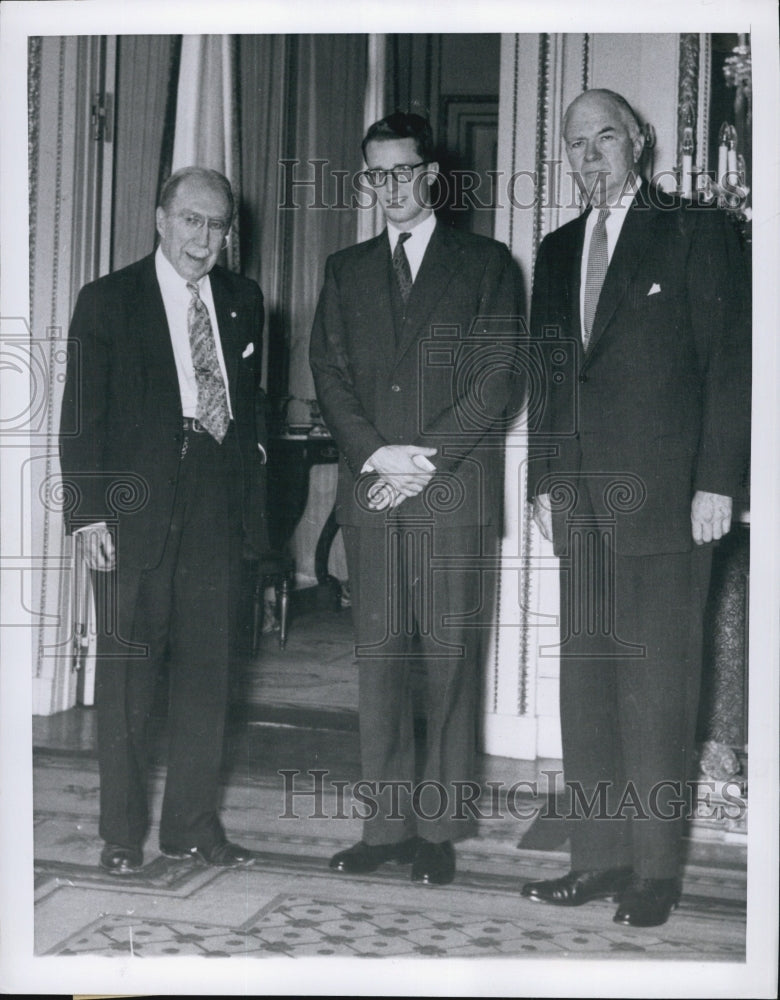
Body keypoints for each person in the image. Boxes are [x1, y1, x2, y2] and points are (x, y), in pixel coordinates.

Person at [522, 90, 750, 926]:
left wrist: (718, 482)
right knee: (587, 688)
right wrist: (543, 478)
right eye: (575, 144)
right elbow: (548, 373)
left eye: (605, 137)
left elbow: (733, 364)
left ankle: (656, 874)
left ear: (641, 141)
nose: (590, 157)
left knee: (657, 692)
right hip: (579, 503)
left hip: (670, 504)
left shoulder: (699, 230)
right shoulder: (554, 250)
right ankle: (600, 859)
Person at [310, 112, 522, 886]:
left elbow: (498, 377)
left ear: (431, 174)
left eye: (404, 171)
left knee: (449, 663)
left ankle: (438, 830)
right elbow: (327, 374)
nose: (391, 187)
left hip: (450, 493)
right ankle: (385, 829)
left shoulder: (487, 263)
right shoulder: (345, 268)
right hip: (375, 491)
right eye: (377, 174)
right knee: (379, 665)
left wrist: (422, 458)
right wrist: (376, 453)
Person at [59, 166, 266, 874]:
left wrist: (252, 507)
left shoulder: (243, 301)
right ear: (160, 219)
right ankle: (121, 836)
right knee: (126, 680)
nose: (203, 239)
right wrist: (87, 513)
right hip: (131, 505)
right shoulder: (107, 301)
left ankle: (191, 826)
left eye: (217, 226)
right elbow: (80, 418)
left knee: (208, 673)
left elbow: (250, 405)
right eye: (191, 221)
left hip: (215, 498)